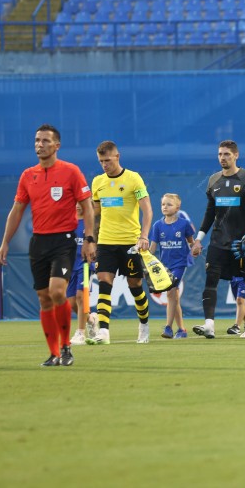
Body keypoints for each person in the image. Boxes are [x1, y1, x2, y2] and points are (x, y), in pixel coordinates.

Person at [0, 124, 95, 366]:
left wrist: (90, 239)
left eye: (45, 141)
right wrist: (4, 242)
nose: (39, 144)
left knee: (58, 292)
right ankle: (53, 353)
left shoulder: (71, 171)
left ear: (56, 146)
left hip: (63, 241)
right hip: (38, 242)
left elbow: (88, 206)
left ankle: (66, 347)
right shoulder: (27, 175)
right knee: (44, 299)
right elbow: (17, 210)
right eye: (37, 140)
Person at [190, 140, 245, 339]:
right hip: (217, 242)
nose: (223, 158)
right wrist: (199, 239)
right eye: (220, 154)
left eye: (227, 154)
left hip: (244, 243)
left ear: (236, 155)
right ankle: (209, 325)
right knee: (210, 282)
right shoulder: (214, 180)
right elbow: (209, 213)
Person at [87, 140, 152, 345]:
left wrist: (144, 236)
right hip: (106, 242)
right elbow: (95, 213)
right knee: (104, 284)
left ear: (117, 156)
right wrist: (91, 239)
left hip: (130, 243)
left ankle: (144, 324)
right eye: (101, 161)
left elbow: (148, 210)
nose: (104, 164)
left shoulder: (133, 179)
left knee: (136, 286)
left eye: (107, 160)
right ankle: (104, 332)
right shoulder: (97, 182)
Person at [149, 193, 195, 339]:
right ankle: (181, 329)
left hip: (180, 264)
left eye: (169, 204)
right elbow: (153, 248)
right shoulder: (157, 225)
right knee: (173, 296)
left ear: (177, 207)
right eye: (163, 204)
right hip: (165, 266)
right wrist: (146, 259)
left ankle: (168, 327)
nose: (165, 207)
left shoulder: (184, 224)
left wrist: (195, 248)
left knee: (171, 292)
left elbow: (191, 242)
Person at [68, 203, 98, 346]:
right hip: (69, 265)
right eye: (76, 203)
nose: (78, 206)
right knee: (71, 302)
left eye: (81, 203)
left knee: (81, 296)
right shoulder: (68, 221)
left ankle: (80, 333)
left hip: (85, 264)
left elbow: (96, 243)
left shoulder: (90, 222)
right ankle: (91, 320)